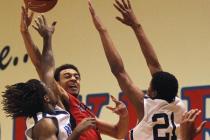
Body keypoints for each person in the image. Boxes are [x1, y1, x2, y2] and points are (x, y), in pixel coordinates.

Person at [20, 5, 129, 140]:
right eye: (67, 76)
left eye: (77, 77)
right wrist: (25, 33)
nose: (74, 79)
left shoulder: (82, 109)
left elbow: (118, 133)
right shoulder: (61, 101)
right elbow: (41, 66)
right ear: (57, 84)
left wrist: (124, 115)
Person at [88, 0, 186, 139]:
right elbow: (154, 66)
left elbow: (119, 71)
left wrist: (102, 30)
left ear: (153, 92)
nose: (147, 88)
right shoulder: (180, 107)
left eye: (149, 86)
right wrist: (136, 26)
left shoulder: (145, 106)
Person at [2, 79, 96, 140]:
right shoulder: (44, 124)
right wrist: (78, 131)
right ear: (46, 98)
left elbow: (47, 68)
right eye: (48, 88)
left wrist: (47, 46)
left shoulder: (55, 110)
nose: (52, 88)